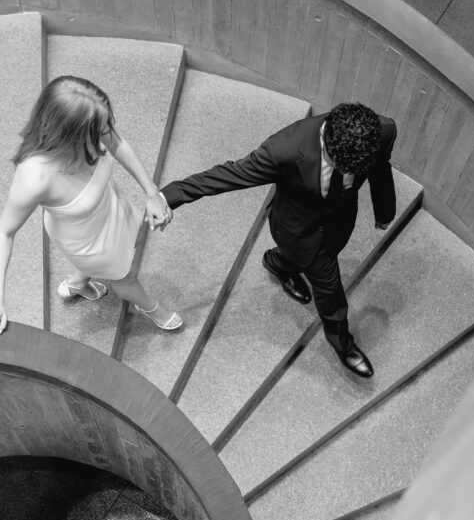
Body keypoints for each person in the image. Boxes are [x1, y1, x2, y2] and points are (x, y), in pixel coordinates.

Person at [159, 102, 397, 377]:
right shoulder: (283, 150)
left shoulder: (382, 131)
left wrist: (384, 211)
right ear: (325, 142)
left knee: (299, 258)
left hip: (338, 222)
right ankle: (344, 346)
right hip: (296, 227)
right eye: (339, 167)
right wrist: (168, 196)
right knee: (330, 292)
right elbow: (229, 175)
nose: (347, 175)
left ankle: (277, 263)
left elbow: (381, 169)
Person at [0, 75, 181, 341]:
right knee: (126, 277)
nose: (107, 134)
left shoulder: (92, 127)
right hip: (88, 242)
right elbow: (4, 232)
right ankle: (150, 306)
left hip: (111, 207)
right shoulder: (35, 178)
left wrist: (152, 193)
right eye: (100, 131)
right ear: (71, 133)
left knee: (135, 239)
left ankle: (79, 281)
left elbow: (116, 142)